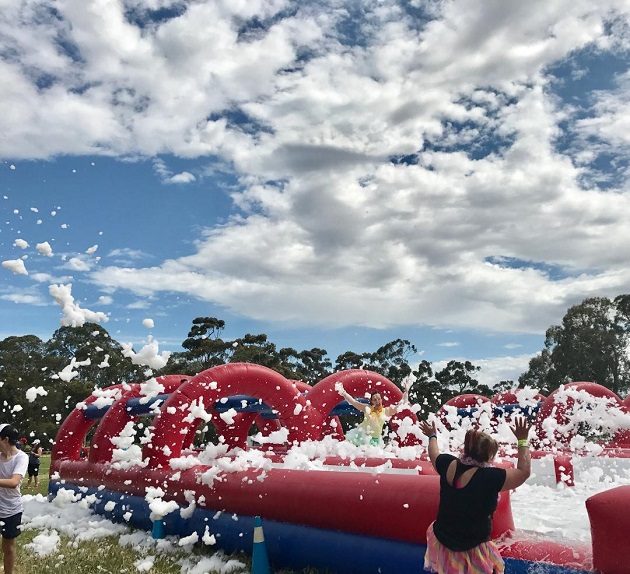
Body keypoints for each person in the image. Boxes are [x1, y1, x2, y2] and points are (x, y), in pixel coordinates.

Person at [418, 416, 532, 574]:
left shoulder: (448, 464)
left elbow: (433, 453)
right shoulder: (490, 477)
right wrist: (522, 440)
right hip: (472, 547)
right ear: (489, 456)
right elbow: (523, 472)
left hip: (442, 539)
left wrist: (432, 436)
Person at [336, 384, 407, 446]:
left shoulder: (386, 411)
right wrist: (344, 393)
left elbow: (400, 406)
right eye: (375, 400)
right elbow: (353, 402)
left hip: (375, 440)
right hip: (362, 437)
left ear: (381, 400)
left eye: (379, 399)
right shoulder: (367, 408)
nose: (377, 401)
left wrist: (406, 392)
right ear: (372, 402)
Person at [0, 424, 29, 574]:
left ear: (5, 439)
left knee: (8, 546)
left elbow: (13, 482)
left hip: (11, 509)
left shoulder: (22, 457)